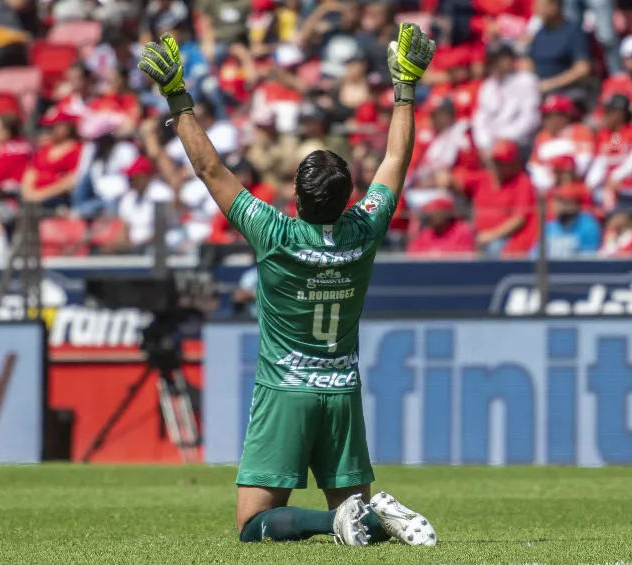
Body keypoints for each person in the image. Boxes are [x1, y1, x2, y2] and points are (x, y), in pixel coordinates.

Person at [137, 24, 437, 546]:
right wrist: (404, 88)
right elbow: (394, 160)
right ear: (347, 198)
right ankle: (368, 514)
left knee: (253, 526)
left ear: (296, 197)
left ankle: (333, 522)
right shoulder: (364, 230)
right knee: (359, 516)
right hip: (341, 392)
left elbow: (209, 169)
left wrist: (177, 96)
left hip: (286, 391)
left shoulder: (274, 233)